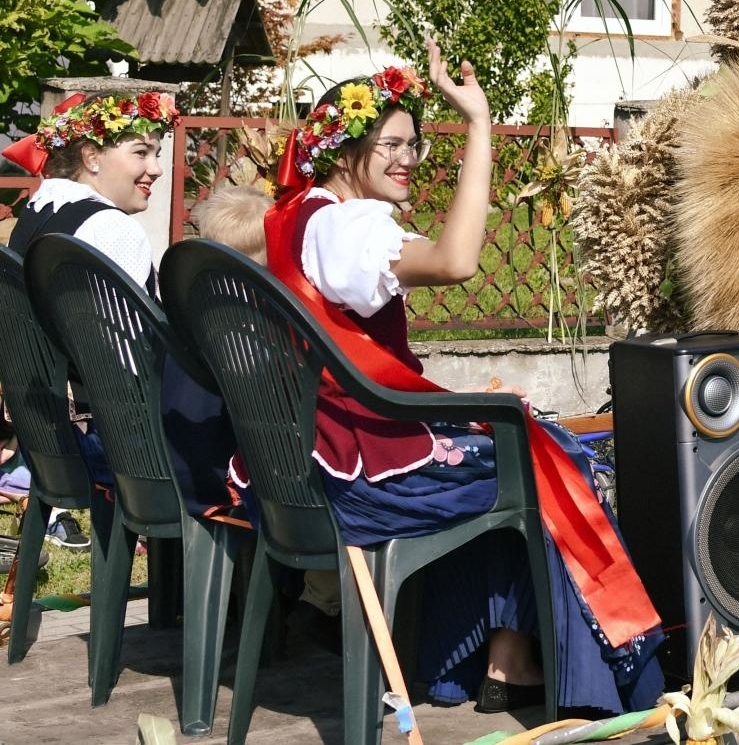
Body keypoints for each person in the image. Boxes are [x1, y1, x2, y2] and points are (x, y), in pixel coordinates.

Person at [257, 42, 662, 715]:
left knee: (515, 441)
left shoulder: (296, 218)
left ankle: (495, 659)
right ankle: (607, 677)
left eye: (413, 143)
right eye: (389, 143)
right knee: (551, 458)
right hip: (365, 473)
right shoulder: (350, 228)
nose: (408, 157)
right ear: (341, 150)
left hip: (314, 457)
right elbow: (456, 260)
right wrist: (479, 124)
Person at [1, 90, 180, 548]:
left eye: (157, 153)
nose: (156, 168)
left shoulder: (38, 213)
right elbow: (130, 363)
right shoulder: (109, 227)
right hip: (115, 451)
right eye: (140, 152)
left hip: (49, 441)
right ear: (91, 156)